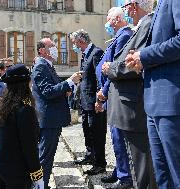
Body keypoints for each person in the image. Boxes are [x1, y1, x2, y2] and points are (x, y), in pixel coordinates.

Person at [125, 0, 180, 188]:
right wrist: (141, 60)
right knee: (164, 178)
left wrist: (144, 55)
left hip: (176, 99)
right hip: (158, 100)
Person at [103, 0, 157, 188]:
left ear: (133, 7)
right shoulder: (139, 27)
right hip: (127, 104)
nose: (125, 11)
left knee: (141, 164)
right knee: (136, 163)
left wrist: (111, 68)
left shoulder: (148, 24)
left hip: (132, 105)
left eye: (125, 7)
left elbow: (134, 65)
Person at [31, 38, 82, 188]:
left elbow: (54, 88)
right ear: (42, 50)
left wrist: (65, 90)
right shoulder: (41, 66)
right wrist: (69, 82)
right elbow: (47, 92)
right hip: (48, 119)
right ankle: (39, 186)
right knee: (45, 157)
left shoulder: (48, 65)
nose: (55, 48)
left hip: (51, 118)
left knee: (48, 155)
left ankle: (42, 184)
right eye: (51, 46)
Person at [96, 7, 133, 189]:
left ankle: (125, 177)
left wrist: (103, 91)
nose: (107, 23)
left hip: (113, 92)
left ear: (118, 19)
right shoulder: (117, 37)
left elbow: (115, 68)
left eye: (109, 19)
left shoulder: (124, 36)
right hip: (110, 93)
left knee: (119, 137)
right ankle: (119, 171)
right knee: (115, 137)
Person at [0, 64, 44, 189]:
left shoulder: (0, 105)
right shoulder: (25, 111)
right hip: (17, 172)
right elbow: (29, 148)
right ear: (26, 84)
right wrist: (37, 175)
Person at [70, 29, 107, 175]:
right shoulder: (85, 55)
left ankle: (100, 163)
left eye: (74, 43)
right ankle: (90, 156)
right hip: (85, 102)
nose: (74, 46)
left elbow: (99, 78)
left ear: (81, 41)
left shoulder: (96, 53)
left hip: (94, 102)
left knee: (97, 132)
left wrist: (99, 100)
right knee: (87, 130)